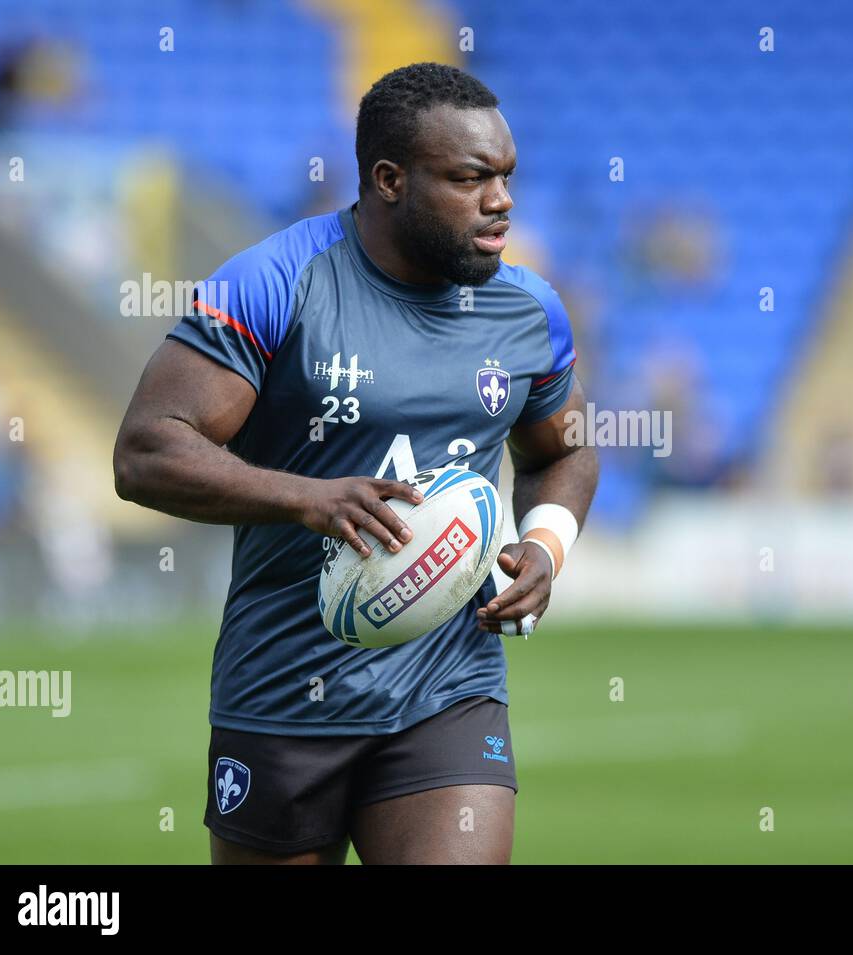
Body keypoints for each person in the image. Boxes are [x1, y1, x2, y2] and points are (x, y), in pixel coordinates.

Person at [113, 63, 598, 864]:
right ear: (388, 179)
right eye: (471, 178)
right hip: (282, 691)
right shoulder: (277, 283)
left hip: (449, 685)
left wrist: (545, 544)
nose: (502, 200)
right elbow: (146, 448)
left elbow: (564, 448)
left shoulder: (525, 309)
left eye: (507, 176)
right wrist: (306, 498)